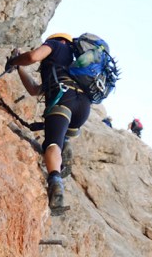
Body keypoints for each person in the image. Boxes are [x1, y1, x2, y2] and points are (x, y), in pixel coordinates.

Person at [6, 33, 92, 214]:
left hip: (64, 99)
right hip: (83, 106)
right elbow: (35, 90)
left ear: (60, 40)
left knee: (52, 145)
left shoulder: (56, 45)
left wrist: (14, 60)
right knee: (61, 136)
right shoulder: (75, 65)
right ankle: (65, 144)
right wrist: (19, 68)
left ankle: (56, 184)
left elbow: (32, 57)